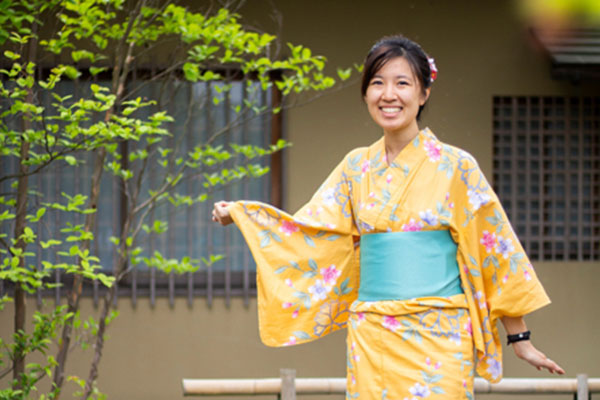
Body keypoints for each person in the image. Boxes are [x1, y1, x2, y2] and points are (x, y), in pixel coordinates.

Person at [212, 35, 564, 399]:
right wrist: (245, 216)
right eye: (377, 83)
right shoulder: (355, 167)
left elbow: (492, 249)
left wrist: (519, 338)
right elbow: (312, 231)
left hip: (439, 332)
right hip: (373, 332)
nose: (388, 94)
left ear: (423, 93)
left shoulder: (457, 167)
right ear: (365, 93)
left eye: (402, 83)